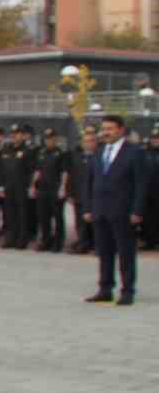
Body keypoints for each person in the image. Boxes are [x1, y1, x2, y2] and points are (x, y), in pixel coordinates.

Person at [83, 114, 146, 306]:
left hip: (123, 211)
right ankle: (105, 288)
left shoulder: (134, 152)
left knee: (125, 252)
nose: (106, 133)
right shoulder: (99, 151)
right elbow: (89, 182)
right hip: (100, 210)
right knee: (104, 252)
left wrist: (137, 210)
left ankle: (127, 290)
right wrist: (88, 207)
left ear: (121, 130)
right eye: (104, 129)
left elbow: (141, 184)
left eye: (110, 129)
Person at [32, 128, 68, 253]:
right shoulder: (41, 153)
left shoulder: (61, 153)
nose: (49, 141)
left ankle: (58, 242)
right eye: (47, 139)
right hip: (43, 189)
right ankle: (46, 241)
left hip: (55, 188)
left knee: (57, 217)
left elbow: (64, 172)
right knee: (43, 217)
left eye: (51, 139)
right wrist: (32, 185)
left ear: (56, 139)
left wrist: (63, 187)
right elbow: (38, 171)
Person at [67, 127, 97, 254]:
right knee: (80, 221)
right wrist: (70, 193)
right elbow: (72, 176)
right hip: (79, 195)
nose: (88, 144)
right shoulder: (77, 157)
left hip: (95, 196)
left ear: (95, 142)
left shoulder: (100, 157)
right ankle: (83, 243)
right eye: (85, 141)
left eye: (91, 141)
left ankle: (96, 244)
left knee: (95, 222)